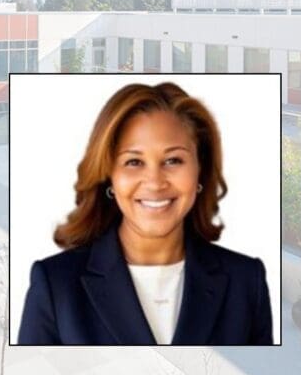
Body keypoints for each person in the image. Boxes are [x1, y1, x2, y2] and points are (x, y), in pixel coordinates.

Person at [18, 82, 272, 345]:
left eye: (173, 160)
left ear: (200, 170)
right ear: (109, 177)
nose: (155, 182)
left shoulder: (246, 281)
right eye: (134, 162)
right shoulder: (56, 286)